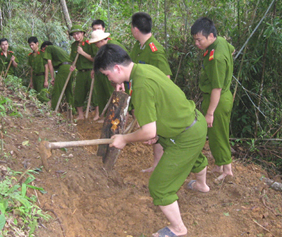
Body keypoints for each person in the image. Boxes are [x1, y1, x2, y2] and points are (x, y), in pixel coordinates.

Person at [94, 44, 209, 237]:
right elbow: (160, 109)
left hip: (186, 135)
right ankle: (202, 185)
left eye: (107, 74)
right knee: (187, 154)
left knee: (159, 186)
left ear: (117, 69)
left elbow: (148, 131)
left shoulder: (141, 84)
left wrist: (124, 138)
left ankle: (178, 228)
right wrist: (154, 133)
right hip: (193, 123)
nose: (109, 79)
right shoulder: (143, 69)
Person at [191, 17, 235, 182]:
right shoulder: (221, 42)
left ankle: (227, 169)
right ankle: (219, 164)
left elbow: (216, 88)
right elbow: (232, 50)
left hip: (217, 99)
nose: (197, 43)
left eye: (199, 40)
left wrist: (210, 112)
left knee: (219, 133)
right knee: (214, 132)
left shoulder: (216, 59)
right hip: (220, 96)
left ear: (210, 36)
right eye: (195, 40)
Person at [129, 12, 173, 173]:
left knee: (159, 132)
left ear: (135, 29)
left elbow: (166, 78)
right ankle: (156, 165)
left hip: (154, 100)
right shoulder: (138, 46)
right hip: (141, 95)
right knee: (155, 133)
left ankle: (160, 165)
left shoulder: (155, 50)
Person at [89, 21, 128, 121]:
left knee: (115, 95)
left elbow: (124, 61)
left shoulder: (113, 46)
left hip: (120, 75)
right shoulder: (103, 48)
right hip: (109, 74)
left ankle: (117, 117)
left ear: (100, 41)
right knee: (103, 94)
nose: (96, 45)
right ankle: (108, 117)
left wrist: (121, 80)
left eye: (96, 43)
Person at [69, 24, 94, 120]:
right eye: (74, 35)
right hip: (80, 72)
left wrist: (83, 53)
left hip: (90, 71)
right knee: (78, 94)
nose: (76, 36)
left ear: (83, 33)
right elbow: (72, 59)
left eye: (78, 33)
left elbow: (94, 59)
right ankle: (80, 115)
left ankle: (96, 115)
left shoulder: (89, 43)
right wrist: (72, 66)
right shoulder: (73, 46)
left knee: (95, 94)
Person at [41, 41, 74, 110]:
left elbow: (49, 63)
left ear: (45, 47)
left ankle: (53, 109)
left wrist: (52, 78)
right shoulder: (58, 49)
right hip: (71, 68)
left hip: (64, 68)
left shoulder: (48, 48)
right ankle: (72, 110)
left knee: (57, 90)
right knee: (68, 90)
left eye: (43, 50)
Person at [27, 37, 49, 103]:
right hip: (34, 77)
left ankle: (50, 106)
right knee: (35, 95)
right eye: (30, 45)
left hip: (41, 77)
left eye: (32, 44)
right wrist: (31, 81)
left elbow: (46, 67)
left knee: (42, 96)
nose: (31, 47)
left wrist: (46, 80)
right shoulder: (30, 56)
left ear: (37, 44)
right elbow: (31, 69)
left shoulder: (42, 54)